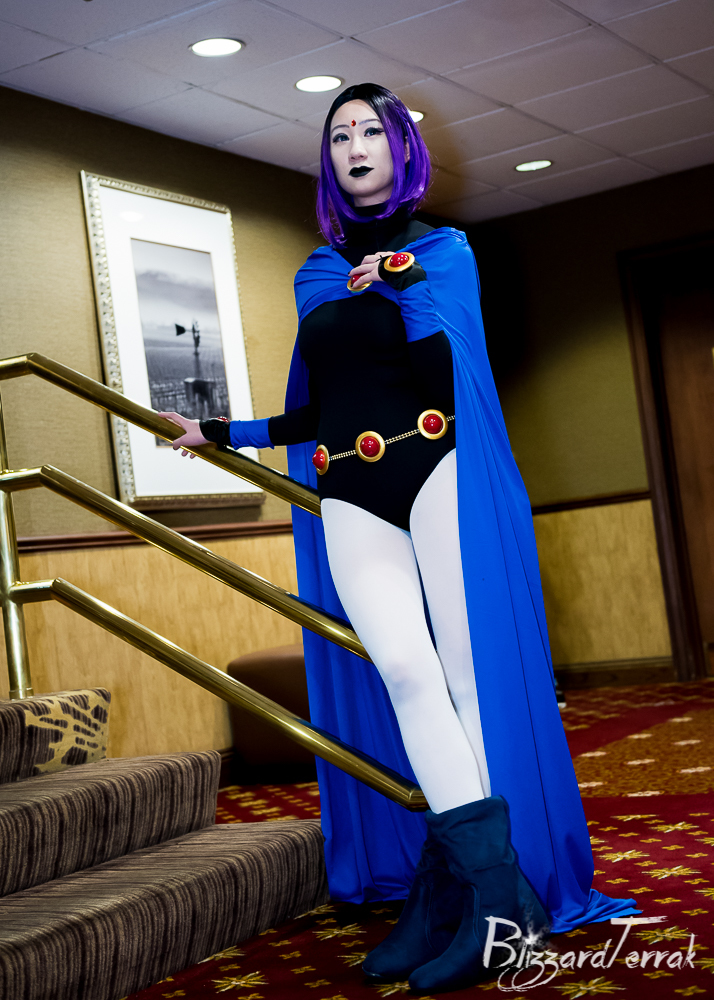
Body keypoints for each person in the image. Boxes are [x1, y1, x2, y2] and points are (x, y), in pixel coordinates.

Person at [162, 83, 638, 992]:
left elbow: (447, 373)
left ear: (400, 149)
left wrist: (405, 282)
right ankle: (485, 891)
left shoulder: (445, 252)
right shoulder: (314, 272)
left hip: (437, 471)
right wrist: (222, 434)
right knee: (409, 678)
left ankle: (469, 894)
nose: (354, 145)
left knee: (464, 682)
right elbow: (322, 406)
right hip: (351, 489)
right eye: (339, 134)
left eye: (370, 130)